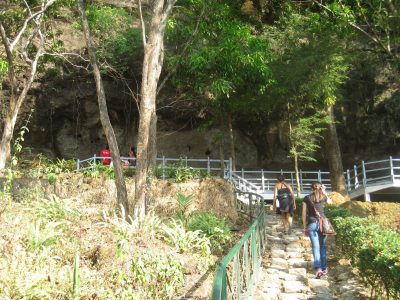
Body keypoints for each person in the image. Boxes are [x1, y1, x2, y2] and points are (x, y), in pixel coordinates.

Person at [302, 182, 333, 278]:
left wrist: (304, 227)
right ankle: (324, 268)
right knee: (322, 246)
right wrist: (325, 192)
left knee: (315, 247)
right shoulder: (323, 197)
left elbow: (303, 214)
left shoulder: (307, 198)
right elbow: (331, 203)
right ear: (320, 188)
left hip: (312, 224)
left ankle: (318, 269)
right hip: (323, 224)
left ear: (311, 188)